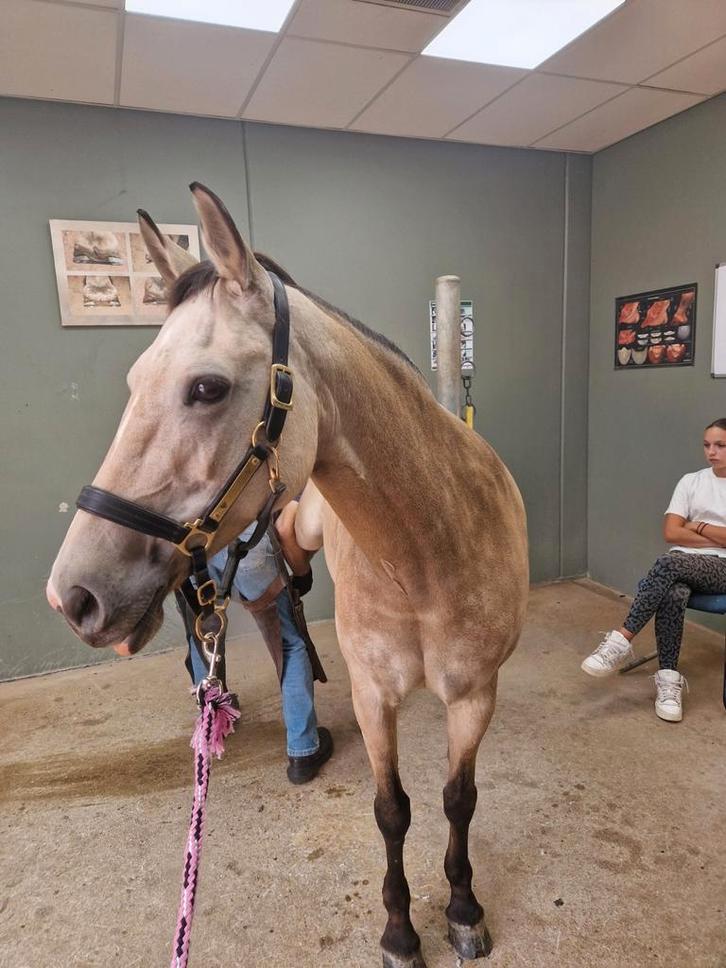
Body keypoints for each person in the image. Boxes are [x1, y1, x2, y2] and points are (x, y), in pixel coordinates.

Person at [581, 418, 726, 722]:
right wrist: (714, 533)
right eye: (706, 445)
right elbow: (671, 532)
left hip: (719, 567)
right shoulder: (691, 481)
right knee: (673, 592)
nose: (711, 452)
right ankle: (668, 680)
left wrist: (695, 524)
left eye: (720, 446)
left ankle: (622, 639)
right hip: (682, 565)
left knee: (667, 562)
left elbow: (683, 528)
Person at [183, 500, 333, 783]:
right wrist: (303, 574)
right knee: (288, 644)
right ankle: (303, 750)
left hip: (196, 545)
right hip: (250, 546)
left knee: (204, 633)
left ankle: (212, 721)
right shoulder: (283, 460)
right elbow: (285, 527)